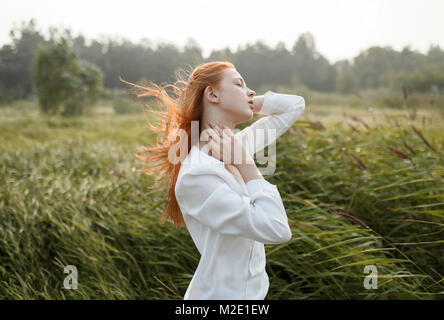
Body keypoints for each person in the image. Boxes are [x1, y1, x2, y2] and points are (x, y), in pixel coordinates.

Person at [121, 61, 305, 299]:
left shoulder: (235, 146)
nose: (250, 91)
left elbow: (295, 106)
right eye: (239, 84)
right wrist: (245, 164)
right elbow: (277, 229)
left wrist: (247, 101)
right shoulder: (196, 176)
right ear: (212, 94)